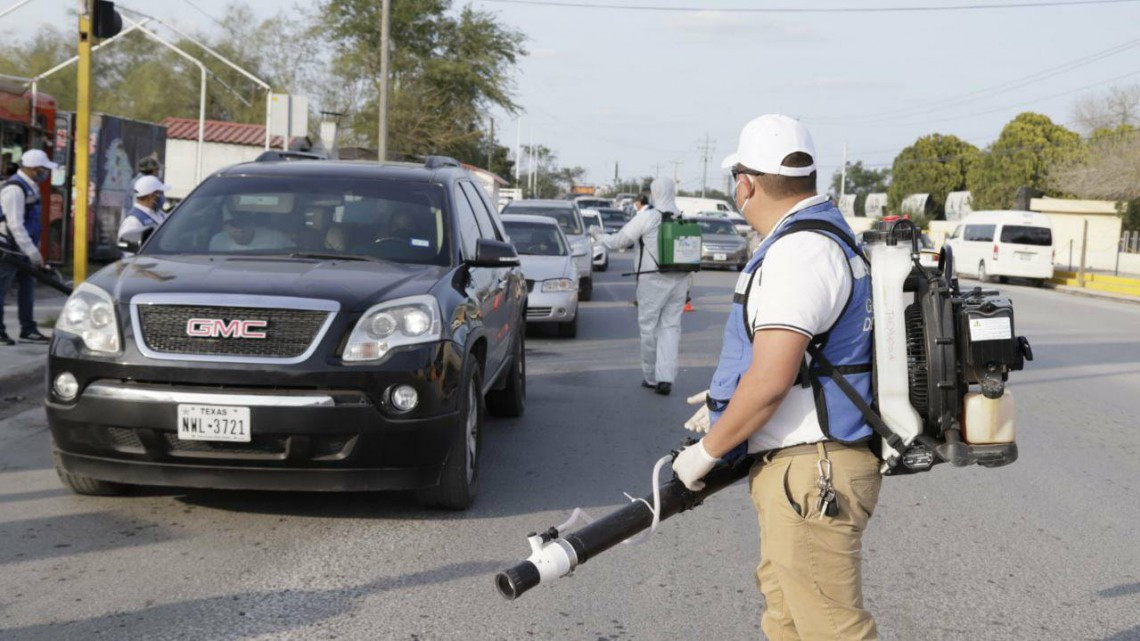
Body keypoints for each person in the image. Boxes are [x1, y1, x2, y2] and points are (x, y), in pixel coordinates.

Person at [672, 115, 880, 639]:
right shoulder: (820, 236)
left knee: (832, 630)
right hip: (807, 468)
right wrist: (725, 397)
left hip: (813, 470)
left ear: (745, 184)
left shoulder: (798, 252)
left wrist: (707, 451)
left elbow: (770, 380)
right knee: (787, 621)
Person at [591, 177, 688, 396]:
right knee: (671, 328)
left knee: (649, 328)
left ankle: (652, 377)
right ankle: (666, 377)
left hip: (652, 280)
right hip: (679, 279)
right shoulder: (681, 217)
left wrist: (598, 236)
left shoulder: (649, 217)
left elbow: (620, 241)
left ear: (654, 193)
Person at [0, 149, 57, 345]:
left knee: (28, 288)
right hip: (9, 248)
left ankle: (28, 330)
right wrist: (33, 253)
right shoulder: (14, 189)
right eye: (43, 169)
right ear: (33, 169)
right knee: (1, 289)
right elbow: (15, 225)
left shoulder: (31, 185)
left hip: (24, 246)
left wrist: (34, 250)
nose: (45, 173)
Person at [117, 175, 172, 248]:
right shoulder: (133, 221)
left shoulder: (159, 213)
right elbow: (129, 253)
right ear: (152, 196)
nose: (162, 196)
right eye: (160, 193)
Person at [208, 212, 294, 252]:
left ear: (253, 224)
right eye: (234, 224)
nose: (240, 229)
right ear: (225, 227)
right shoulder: (218, 241)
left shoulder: (277, 238)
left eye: (244, 223)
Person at [123, 155, 162, 220]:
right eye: (157, 170)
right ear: (153, 170)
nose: (158, 172)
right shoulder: (144, 183)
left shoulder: (134, 181)